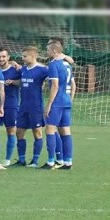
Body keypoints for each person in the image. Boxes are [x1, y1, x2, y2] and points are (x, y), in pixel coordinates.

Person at [42, 38, 75, 170]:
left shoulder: (54, 64)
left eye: (48, 50)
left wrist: (49, 104)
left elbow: (54, 86)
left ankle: (51, 162)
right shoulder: (67, 64)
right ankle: (68, 162)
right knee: (65, 131)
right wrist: (70, 100)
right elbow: (74, 85)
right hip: (66, 101)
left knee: (50, 129)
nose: (46, 52)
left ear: (54, 51)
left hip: (57, 102)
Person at [15, 46, 49, 167]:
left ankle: (34, 161)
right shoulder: (23, 69)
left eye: (25, 56)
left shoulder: (42, 70)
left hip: (36, 107)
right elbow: (22, 81)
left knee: (37, 132)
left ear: (33, 56)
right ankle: (21, 160)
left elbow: (54, 78)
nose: (22, 58)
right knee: (19, 132)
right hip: (23, 106)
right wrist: (13, 82)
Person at [0, 48, 22, 166]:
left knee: (11, 131)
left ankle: (7, 159)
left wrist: (13, 82)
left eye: (3, 56)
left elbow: (22, 81)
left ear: (8, 57)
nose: (1, 59)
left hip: (11, 105)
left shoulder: (16, 70)